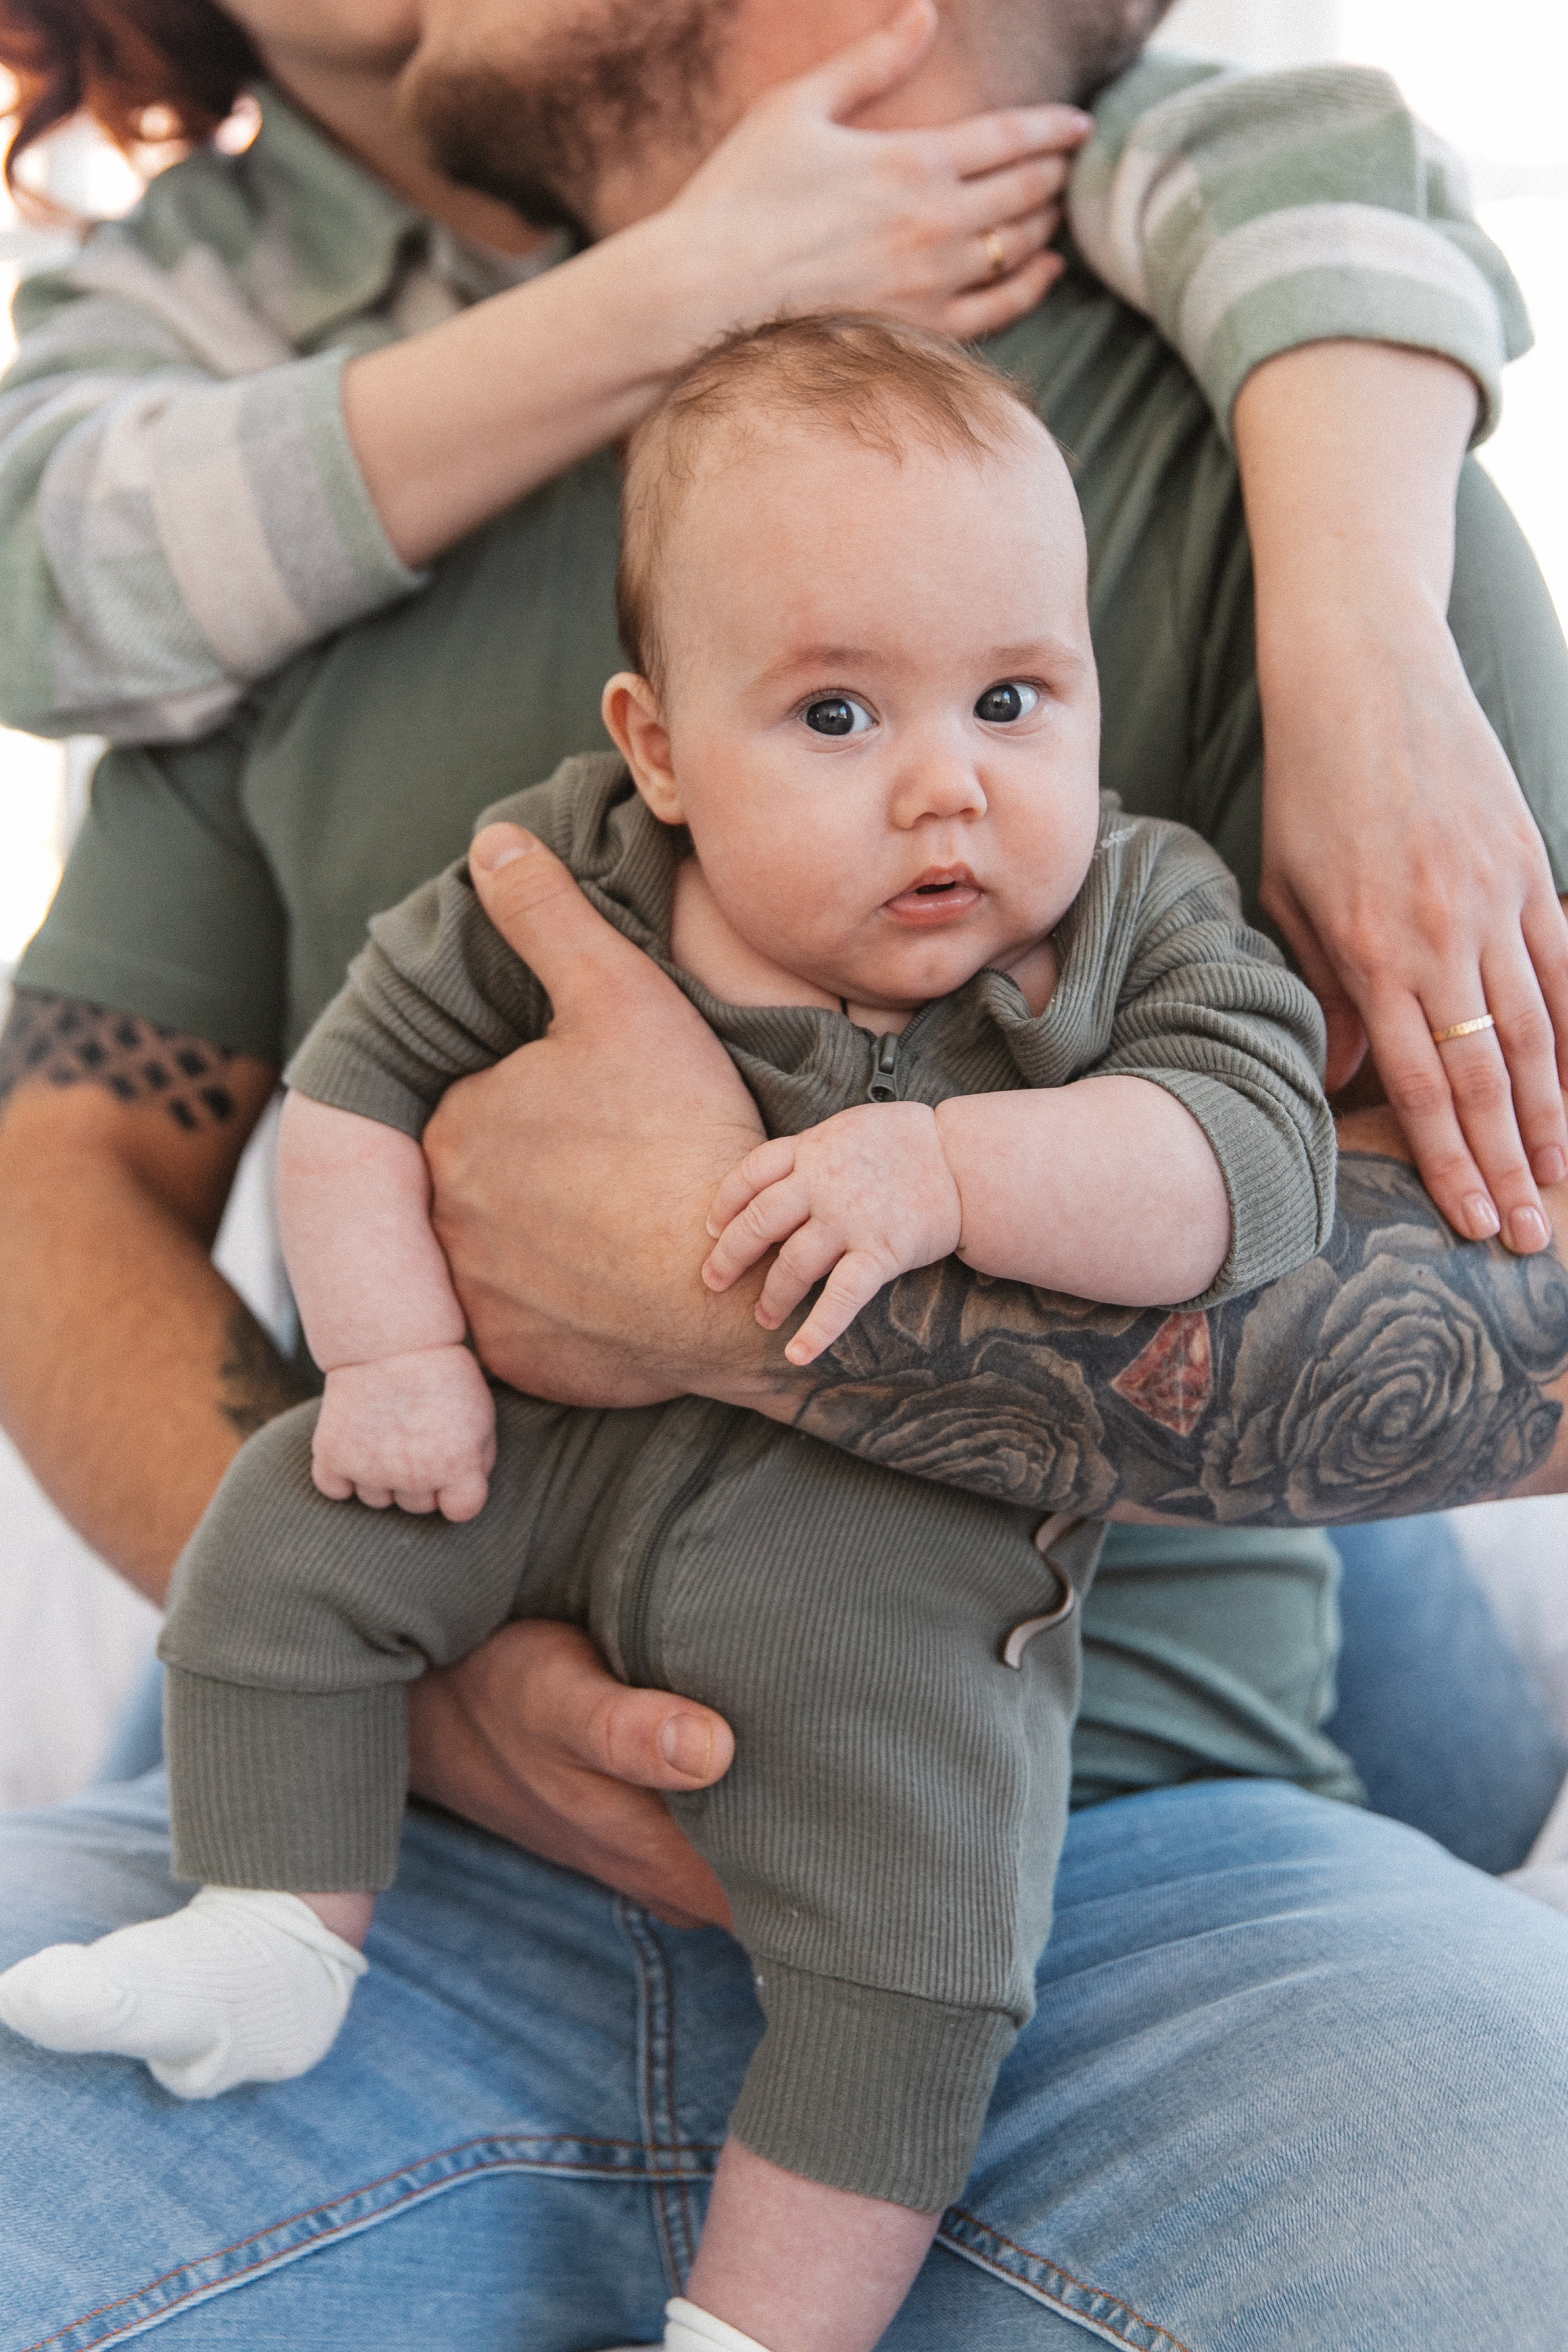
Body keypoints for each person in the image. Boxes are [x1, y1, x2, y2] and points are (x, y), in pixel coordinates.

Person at [2, 0, 1568, 2339]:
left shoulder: (1261, 434)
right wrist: (412, 1688)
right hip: (408, 1858)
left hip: (1139, 1875)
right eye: (836, 711)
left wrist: (706, 1273)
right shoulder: (326, 487)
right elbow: (59, 1168)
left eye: (998, 709)